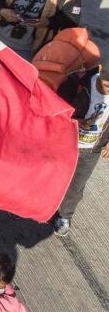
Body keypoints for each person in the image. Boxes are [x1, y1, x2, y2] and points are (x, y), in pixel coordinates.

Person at [51, 65, 109, 236]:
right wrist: (75, 122)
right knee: (49, 175)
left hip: (91, 150)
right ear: (101, 68)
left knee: (76, 187)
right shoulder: (77, 83)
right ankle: (31, 204)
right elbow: (55, 111)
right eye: (107, 86)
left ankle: (65, 216)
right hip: (65, 143)